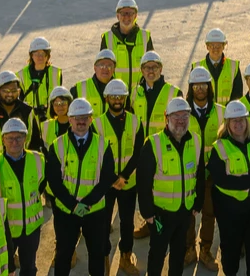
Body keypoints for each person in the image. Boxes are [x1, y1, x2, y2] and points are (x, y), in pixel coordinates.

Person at [46, 99, 113, 276]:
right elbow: (53, 181)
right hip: (66, 213)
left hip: (95, 212)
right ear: (69, 119)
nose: (81, 122)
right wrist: (73, 205)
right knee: (63, 254)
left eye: (85, 117)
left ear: (91, 119)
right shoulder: (58, 145)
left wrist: (88, 203)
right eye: (77, 118)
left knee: (97, 254)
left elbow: (106, 179)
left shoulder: (103, 145)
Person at [136, 98, 202, 276]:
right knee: (157, 253)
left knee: (178, 253)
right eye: (176, 116)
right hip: (160, 214)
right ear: (166, 117)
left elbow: (200, 174)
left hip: (184, 211)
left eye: (185, 116)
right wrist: (147, 213)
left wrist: (198, 202)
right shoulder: (153, 143)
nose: (181, 120)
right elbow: (143, 182)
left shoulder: (195, 141)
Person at [208, 100, 250, 276]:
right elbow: (221, 180)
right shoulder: (219, 147)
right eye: (234, 120)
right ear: (227, 123)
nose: (238, 124)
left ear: (247, 121)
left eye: (241, 119)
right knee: (231, 252)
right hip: (230, 211)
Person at [95, 79, 143, 275]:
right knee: (104, 222)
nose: (117, 100)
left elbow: (138, 151)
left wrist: (123, 176)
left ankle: (125, 255)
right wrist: (113, 179)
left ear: (125, 98)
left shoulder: (135, 121)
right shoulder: (97, 124)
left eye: (120, 96)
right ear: (106, 98)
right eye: (113, 96)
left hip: (128, 182)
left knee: (127, 221)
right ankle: (104, 256)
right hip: (106, 184)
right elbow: (95, 156)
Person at [0, 118, 49, 276]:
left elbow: (41, 184)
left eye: (19, 137)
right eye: (10, 138)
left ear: (25, 138)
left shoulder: (38, 159)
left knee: (29, 268)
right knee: (4, 268)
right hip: (6, 230)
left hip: (31, 229)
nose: (14, 142)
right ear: (3, 140)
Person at [184, 68, 220, 266]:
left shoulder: (220, 112)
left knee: (209, 212)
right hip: (189, 174)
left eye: (203, 85)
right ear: (190, 88)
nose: (200, 89)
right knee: (189, 213)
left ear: (209, 87)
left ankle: (205, 249)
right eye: (196, 85)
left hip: (211, 173)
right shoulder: (183, 113)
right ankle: (188, 249)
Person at [0, 71, 38, 157]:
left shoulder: (27, 111)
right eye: (6, 91)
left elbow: (35, 142)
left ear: (19, 91)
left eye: (13, 90)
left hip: (21, 164)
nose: (10, 94)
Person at [131, 53, 181, 145]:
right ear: (142, 70)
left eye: (154, 67)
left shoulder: (174, 92)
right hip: (140, 148)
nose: (151, 71)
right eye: (147, 68)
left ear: (160, 69)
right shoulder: (135, 92)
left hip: (163, 146)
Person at [20, 37, 64, 129]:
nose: (40, 57)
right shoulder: (21, 75)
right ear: (31, 55)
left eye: (42, 53)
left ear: (47, 56)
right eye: (36, 54)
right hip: (29, 122)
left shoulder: (56, 73)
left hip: (51, 121)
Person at [103, 0, 153, 76]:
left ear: (135, 16)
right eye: (123, 13)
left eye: (130, 13)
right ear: (117, 16)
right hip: (116, 88)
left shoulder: (145, 37)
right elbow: (103, 71)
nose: (126, 16)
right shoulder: (107, 38)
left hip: (140, 88)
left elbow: (152, 67)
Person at [194, 29, 238, 105]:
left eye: (219, 46)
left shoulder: (234, 67)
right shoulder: (197, 67)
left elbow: (237, 95)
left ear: (224, 46)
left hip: (227, 114)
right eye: (212, 46)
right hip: (206, 115)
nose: (215, 49)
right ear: (207, 47)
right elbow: (193, 95)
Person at [70, 50, 118, 117]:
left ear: (114, 69)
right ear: (95, 68)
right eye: (102, 65)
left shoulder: (121, 89)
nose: (105, 68)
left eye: (109, 65)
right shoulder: (78, 89)